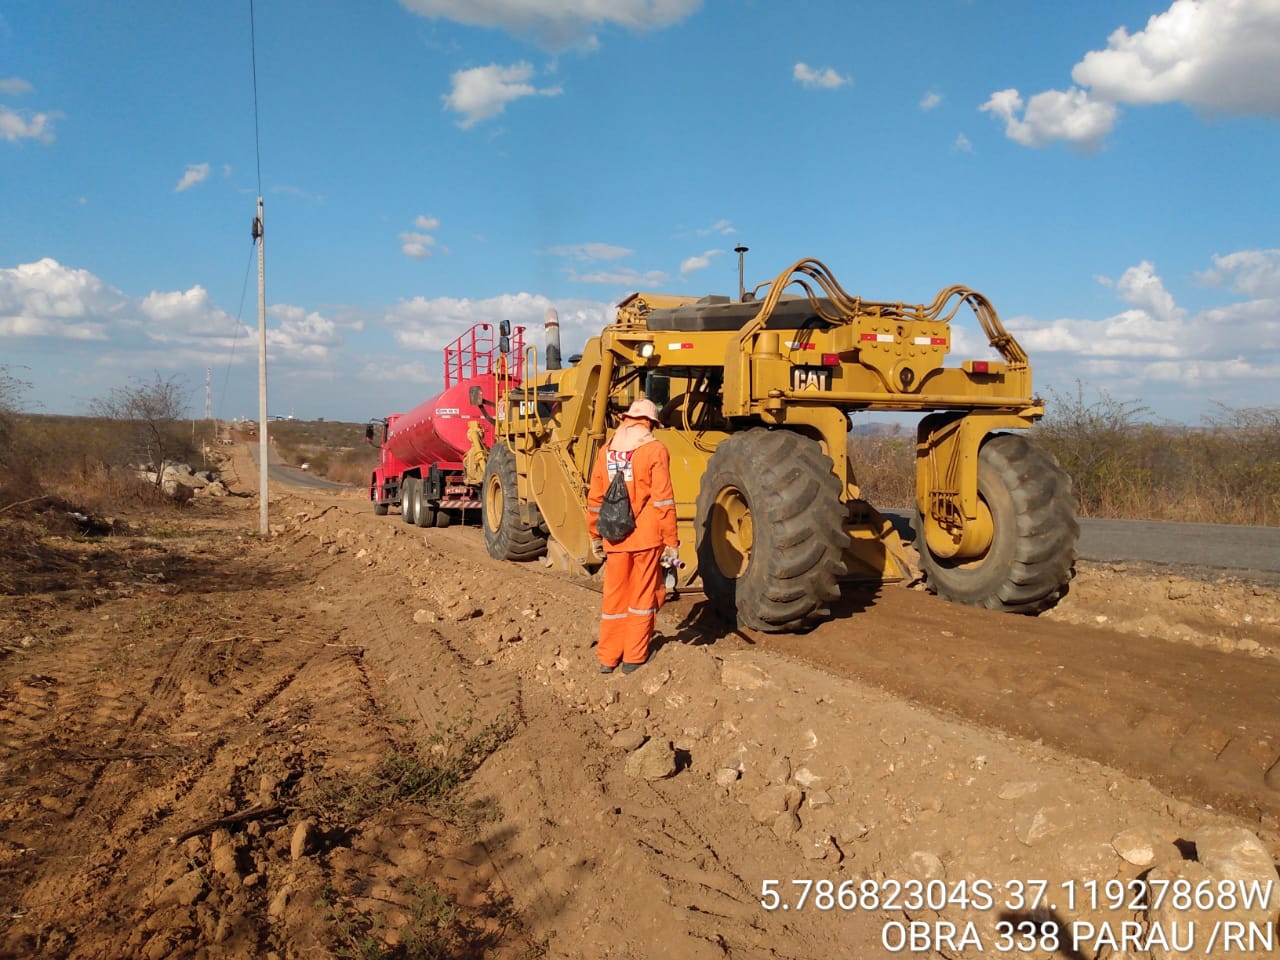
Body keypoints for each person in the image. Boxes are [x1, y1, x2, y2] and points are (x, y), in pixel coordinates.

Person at [586, 398, 678, 674]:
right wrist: (671, 541)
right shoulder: (655, 450)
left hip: (615, 538)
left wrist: (594, 534)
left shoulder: (606, 451)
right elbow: (663, 501)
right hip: (647, 538)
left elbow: (595, 498)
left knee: (613, 598)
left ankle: (608, 657)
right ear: (650, 422)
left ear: (627, 419)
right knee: (641, 596)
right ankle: (634, 657)